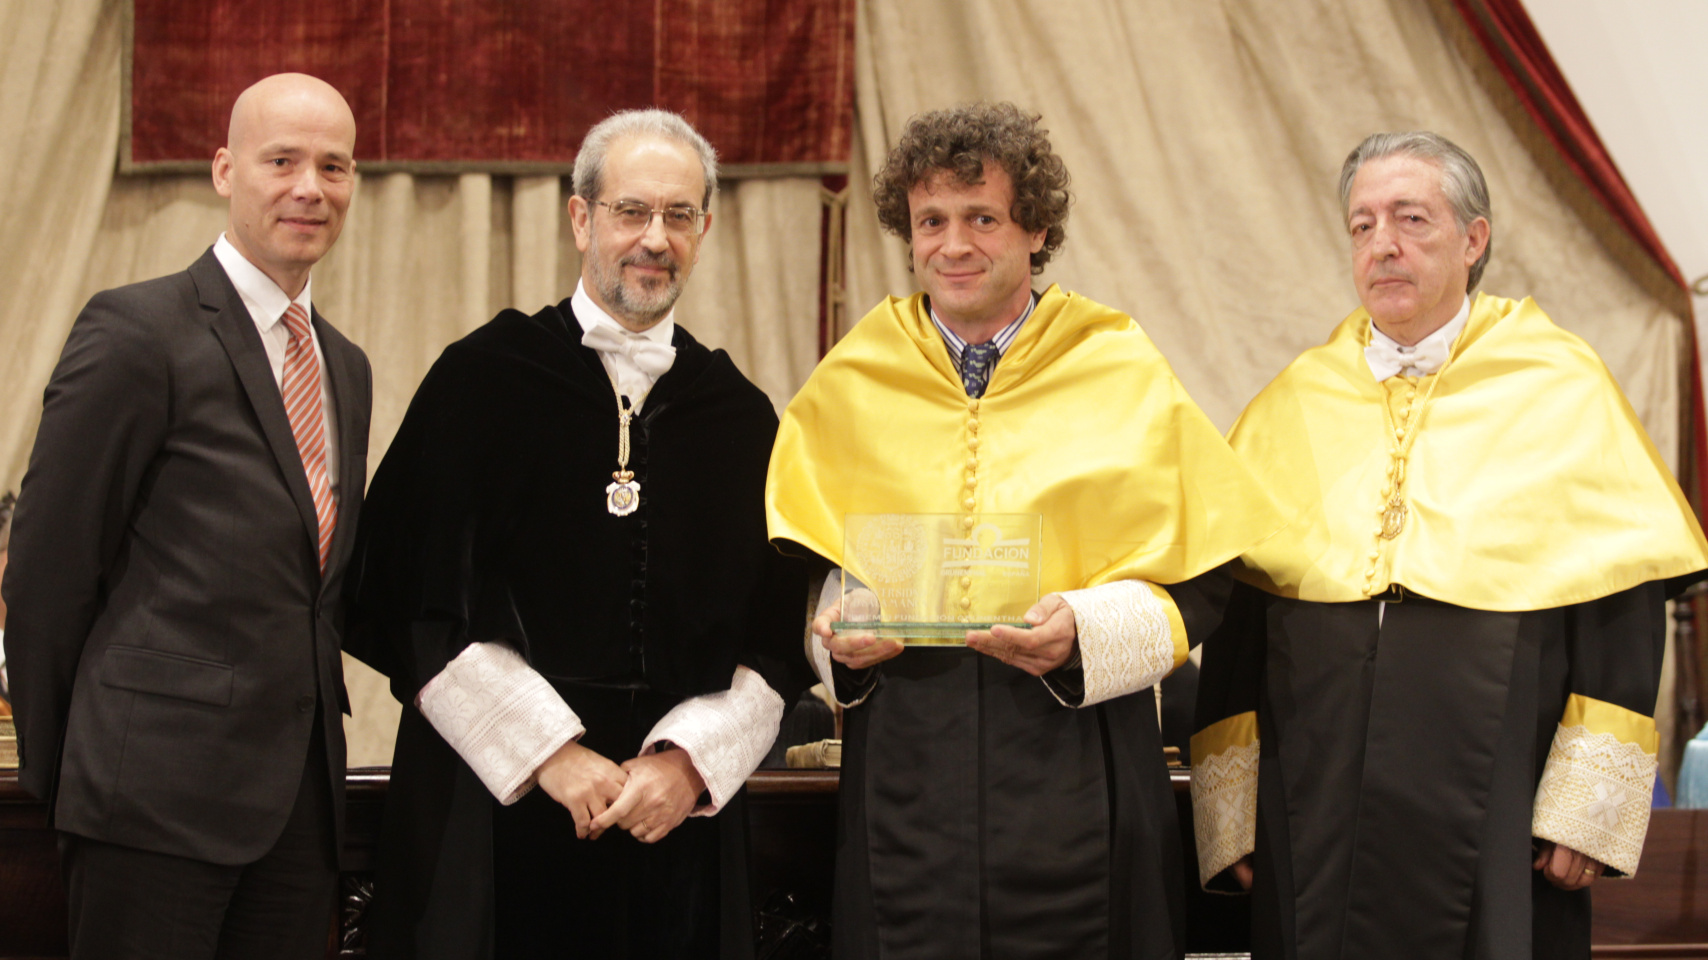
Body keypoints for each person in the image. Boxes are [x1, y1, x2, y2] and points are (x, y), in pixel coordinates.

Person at [765, 102, 1282, 959]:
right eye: (932, 221)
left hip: (1076, 761)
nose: (954, 246)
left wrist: (1088, 630)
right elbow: (809, 571)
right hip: (906, 774)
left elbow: (1204, 584)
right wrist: (840, 635)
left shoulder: (1116, 365)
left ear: (1035, 228)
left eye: (982, 219)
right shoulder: (855, 375)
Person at [1190, 131, 1708, 959]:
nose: (1382, 245)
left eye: (1411, 218)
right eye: (1362, 226)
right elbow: (1242, 614)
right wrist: (1231, 812)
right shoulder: (1294, 400)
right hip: (1314, 789)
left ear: (1475, 239)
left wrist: (1586, 810)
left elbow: (1622, 601)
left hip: (1498, 779)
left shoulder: (1558, 385)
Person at [344, 108, 808, 960]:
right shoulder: (480, 380)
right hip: (493, 813)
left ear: (705, 228)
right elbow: (403, 600)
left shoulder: (739, 416)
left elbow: (778, 638)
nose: (655, 239)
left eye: (679, 216)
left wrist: (687, 765)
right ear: (581, 217)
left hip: (673, 828)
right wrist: (551, 755)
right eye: (632, 211)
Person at [1, 73, 370, 959]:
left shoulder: (345, 366)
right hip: (146, 807)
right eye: (281, 160)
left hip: (296, 818)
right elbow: (47, 579)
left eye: (334, 165)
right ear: (223, 170)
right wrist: (72, 780)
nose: (308, 188)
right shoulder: (138, 331)